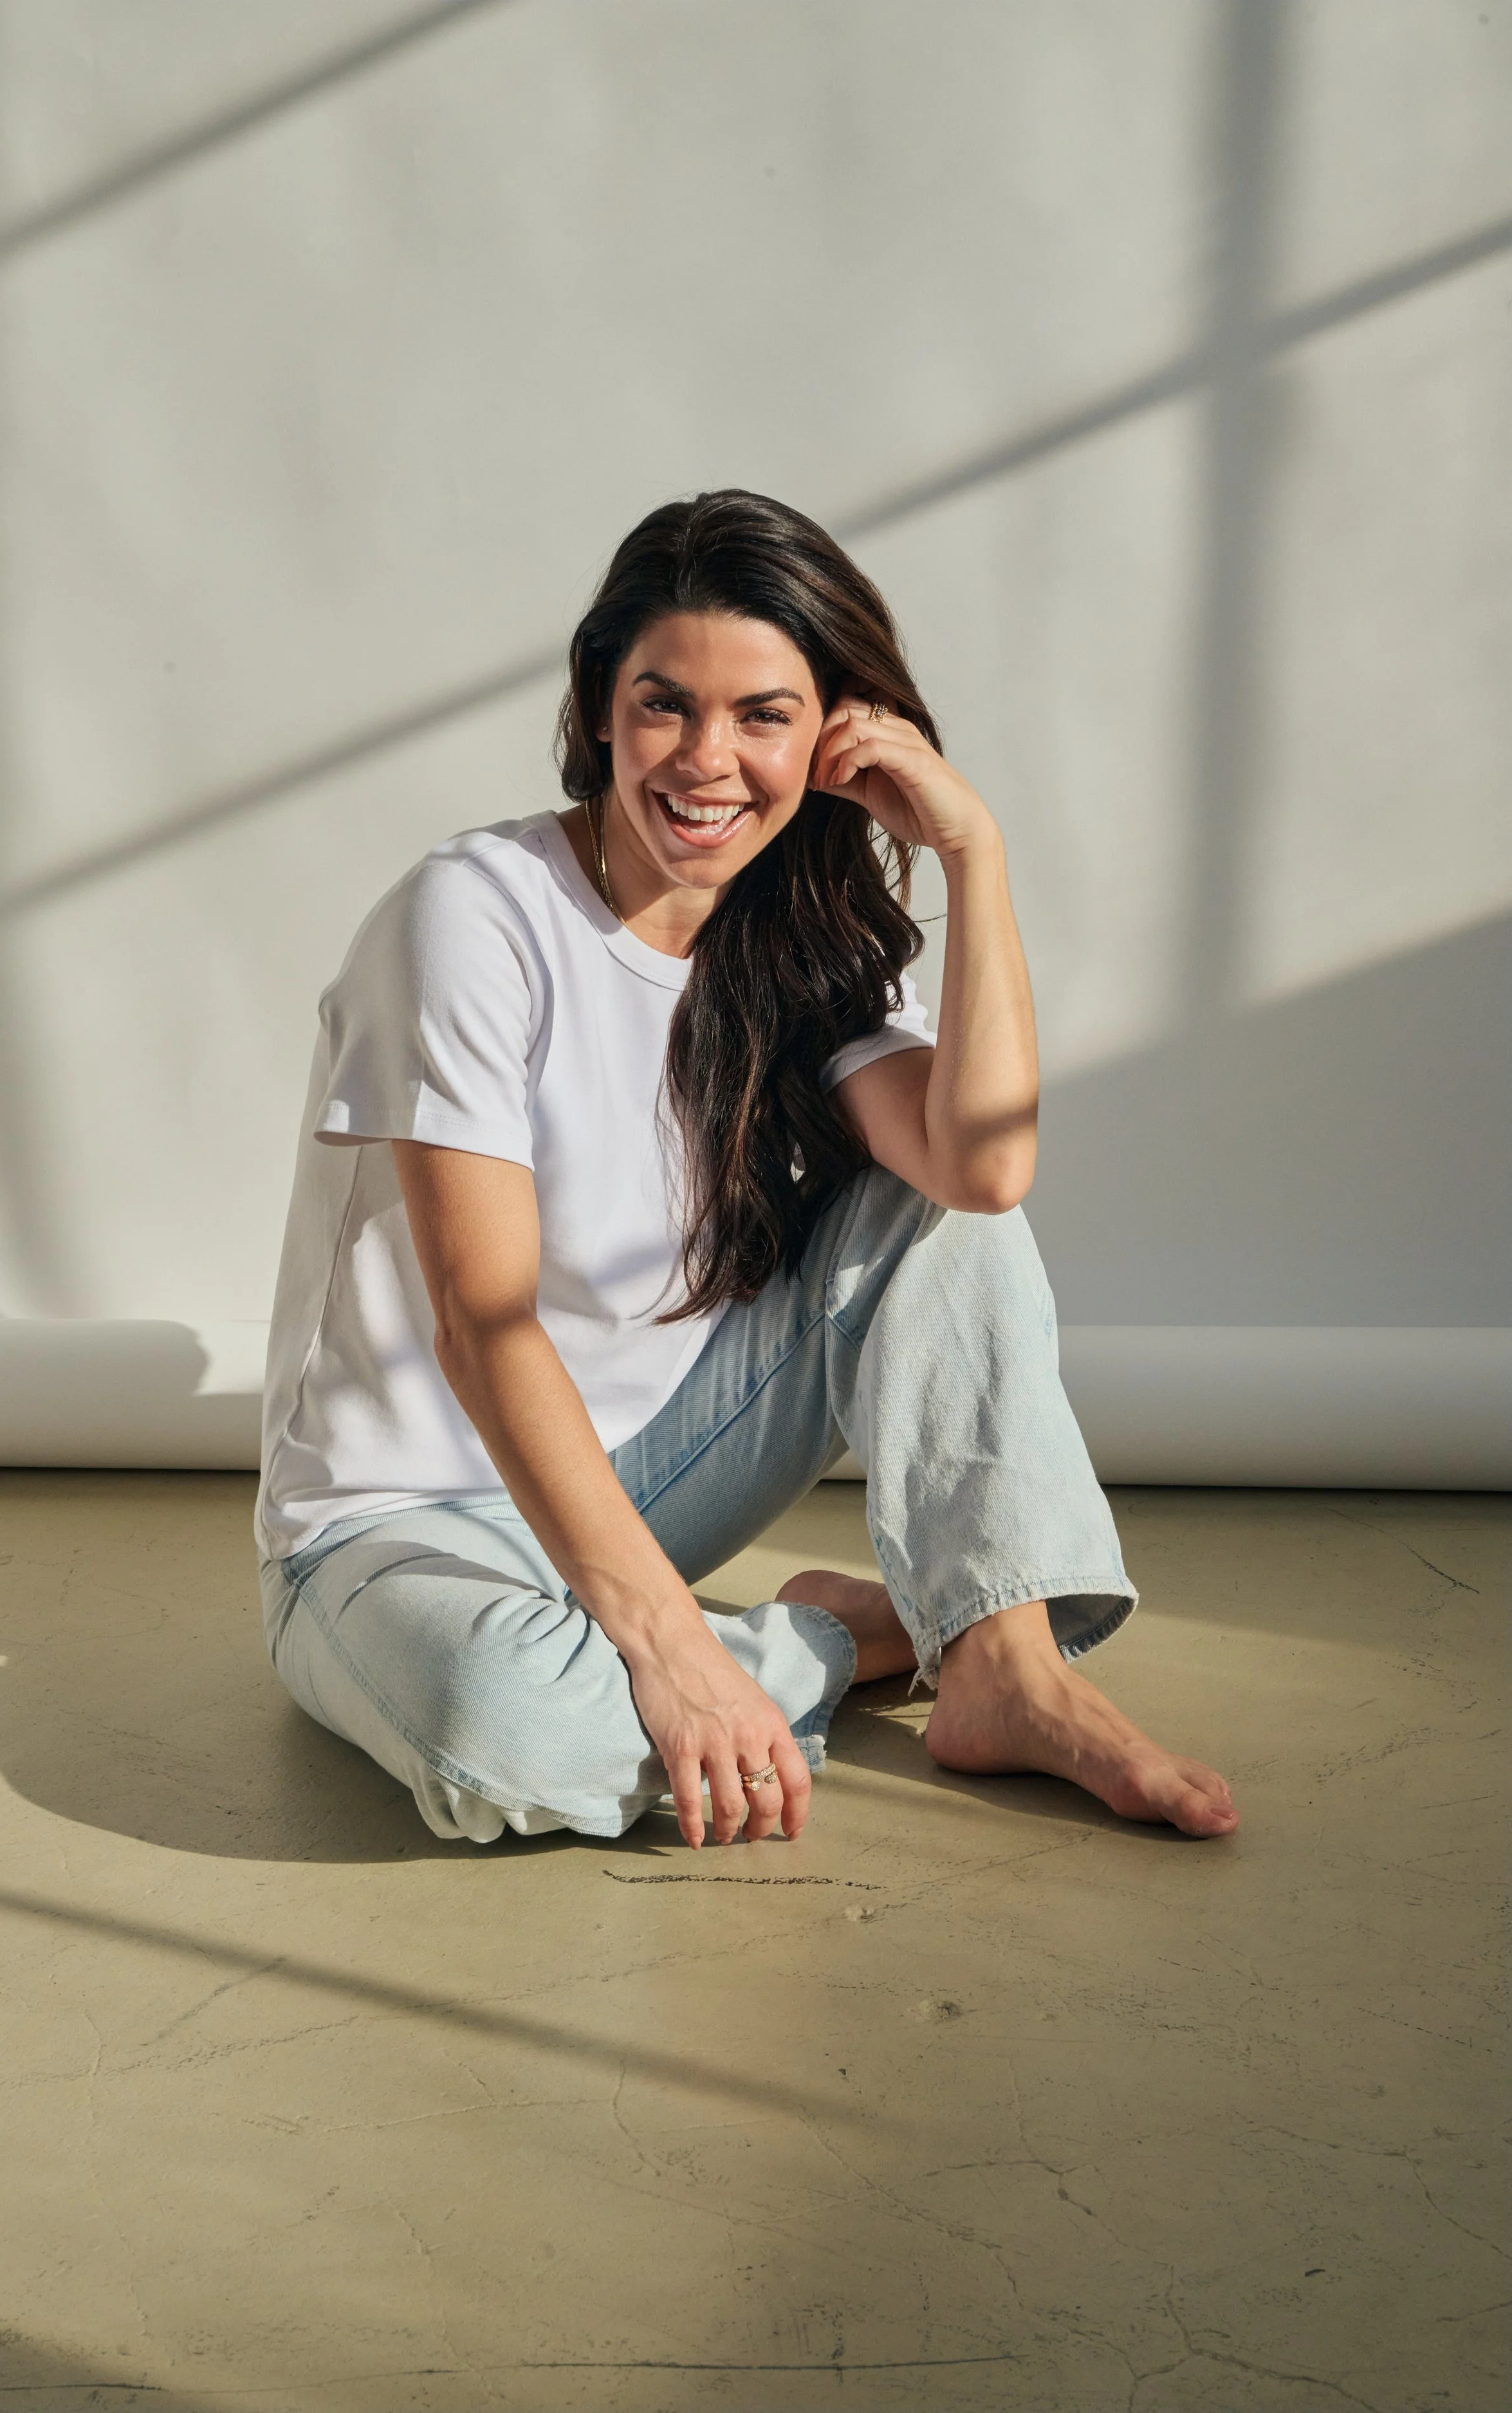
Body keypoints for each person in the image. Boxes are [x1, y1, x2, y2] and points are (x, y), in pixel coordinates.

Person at [257, 490, 1237, 1851]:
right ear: (601, 708)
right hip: (396, 1526)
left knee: (929, 1210)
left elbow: (982, 1167)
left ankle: (1008, 1669)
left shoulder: (794, 947)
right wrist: (672, 1651)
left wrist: (975, 853)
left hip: (650, 1481)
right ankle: (849, 1638)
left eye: (763, 715)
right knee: (506, 1724)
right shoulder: (474, 917)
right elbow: (484, 1326)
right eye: (663, 705)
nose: (706, 759)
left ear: (831, 735)